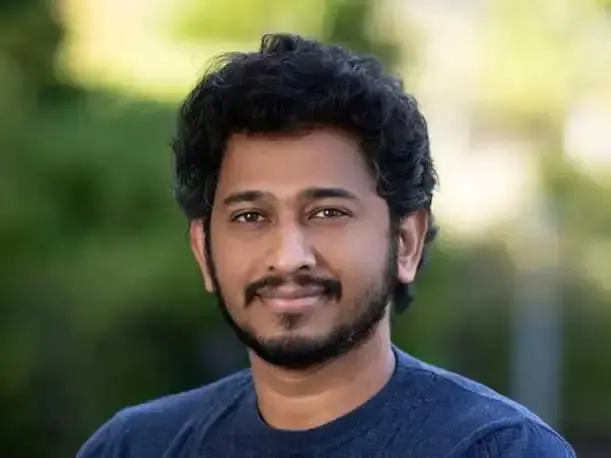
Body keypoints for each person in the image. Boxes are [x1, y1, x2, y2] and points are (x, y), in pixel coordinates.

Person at [77, 33, 575, 457]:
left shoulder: (497, 449)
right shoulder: (135, 446)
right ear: (203, 249)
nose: (289, 257)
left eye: (328, 213)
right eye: (251, 216)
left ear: (405, 241)